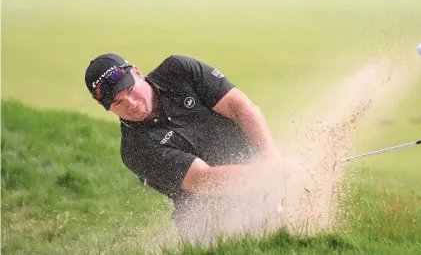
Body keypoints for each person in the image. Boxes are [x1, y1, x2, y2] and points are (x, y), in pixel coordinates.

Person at [84, 53, 303, 241]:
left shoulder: (178, 70)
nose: (130, 104)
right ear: (103, 105)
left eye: (130, 90)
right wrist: (270, 174)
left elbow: (241, 108)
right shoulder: (135, 150)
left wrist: (273, 163)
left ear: (138, 72)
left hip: (258, 179)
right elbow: (203, 179)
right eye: (118, 102)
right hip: (212, 223)